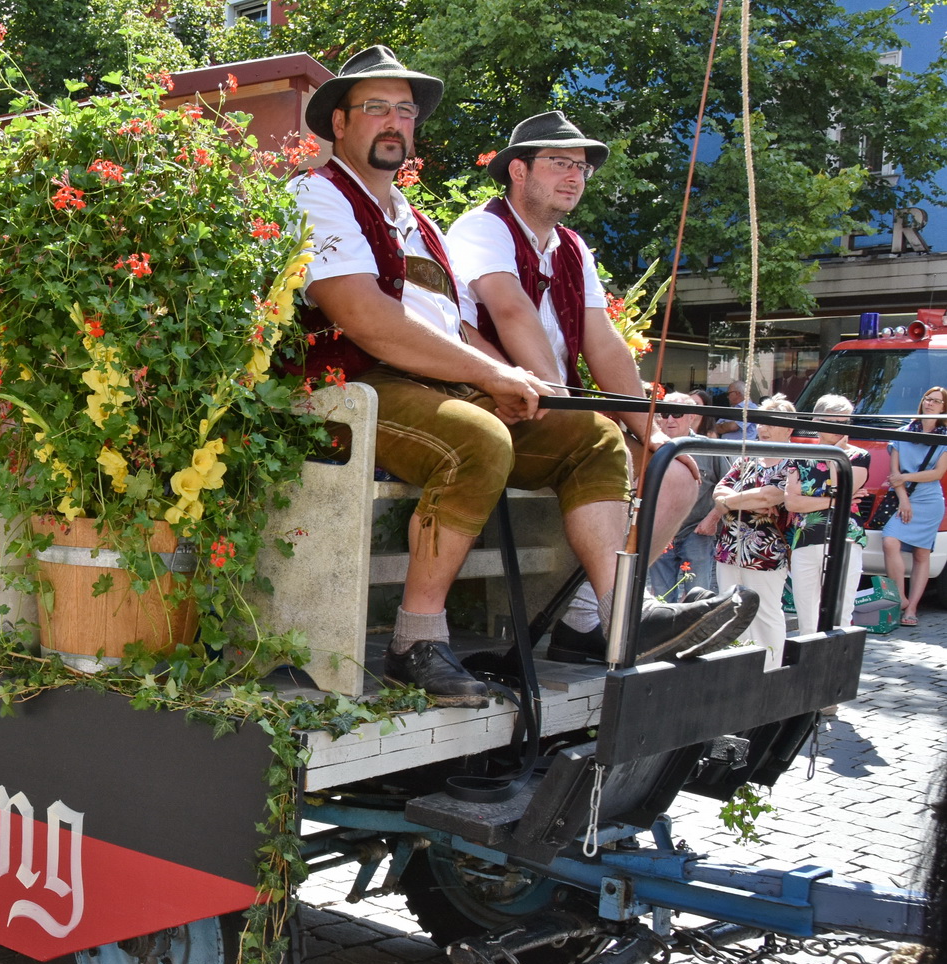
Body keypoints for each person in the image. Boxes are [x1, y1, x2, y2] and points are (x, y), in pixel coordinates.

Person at [290, 46, 755, 706]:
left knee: (591, 437)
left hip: (432, 383)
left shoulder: (416, 221)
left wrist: (503, 379)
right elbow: (367, 320)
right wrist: (493, 373)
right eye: (376, 108)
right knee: (476, 441)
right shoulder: (316, 194)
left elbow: (453, 325)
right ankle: (414, 642)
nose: (395, 122)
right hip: (352, 387)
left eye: (406, 110)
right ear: (339, 123)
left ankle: (618, 618)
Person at [448, 110, 701, 663]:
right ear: (518, 170)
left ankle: (588, 618)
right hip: (495, 403)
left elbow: (603, 342)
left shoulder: (571, 246)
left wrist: (650, 428)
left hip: (554, 408)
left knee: (677, 470)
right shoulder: (483, 228)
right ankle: (620, 615)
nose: (574, 176)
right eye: (559, 162)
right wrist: (560, 401)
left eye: (581, 167)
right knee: (612, 446)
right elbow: (510, 311)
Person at [711, 397, 798, 667]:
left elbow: (770, 496)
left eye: (772, 423)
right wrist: (743, 501)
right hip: (729, 549)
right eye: (761, 422)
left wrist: (731, 501)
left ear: (789, 429)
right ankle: (737, 668)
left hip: (766, 553)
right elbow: (718, 493)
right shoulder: (747, 458)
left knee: (765, 613)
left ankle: (770, 670)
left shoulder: (794, 462)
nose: (764, 429)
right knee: (731, 611)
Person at [785, 393, 868, 635]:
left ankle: (837, 656)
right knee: (807, 615)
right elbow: (792, 502)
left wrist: (835, 457)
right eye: (833, 422)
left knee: (840, 612)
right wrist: (836, 501)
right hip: (806, 537)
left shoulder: (859, 456)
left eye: (845, 422)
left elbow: (841, 488)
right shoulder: (801, 456)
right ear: (817, 421)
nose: (840, 428)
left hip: (845, 538)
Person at [649, 392, 729, 599]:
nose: (670, 419)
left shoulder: (707, 447)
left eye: (677, 413)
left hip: (696, 531)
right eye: (665, 413)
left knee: (698, 597)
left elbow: (729, 485)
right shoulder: (648, 446)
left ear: (692, 416)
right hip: (660, 532)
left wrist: (712, 519)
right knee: (661, 599)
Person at [878, 386, 947, 627]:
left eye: (936, 401)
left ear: (944, 408)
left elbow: (937, 473)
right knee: (889, 541)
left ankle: (912, 608)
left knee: (921, 554)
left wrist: (906, 478)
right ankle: (900, 597)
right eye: (927, 399)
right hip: (904, 498)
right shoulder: (902, 433)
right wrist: (904, 499)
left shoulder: (944, 438)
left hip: (930, 501)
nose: (930, 403)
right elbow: (894, 473)